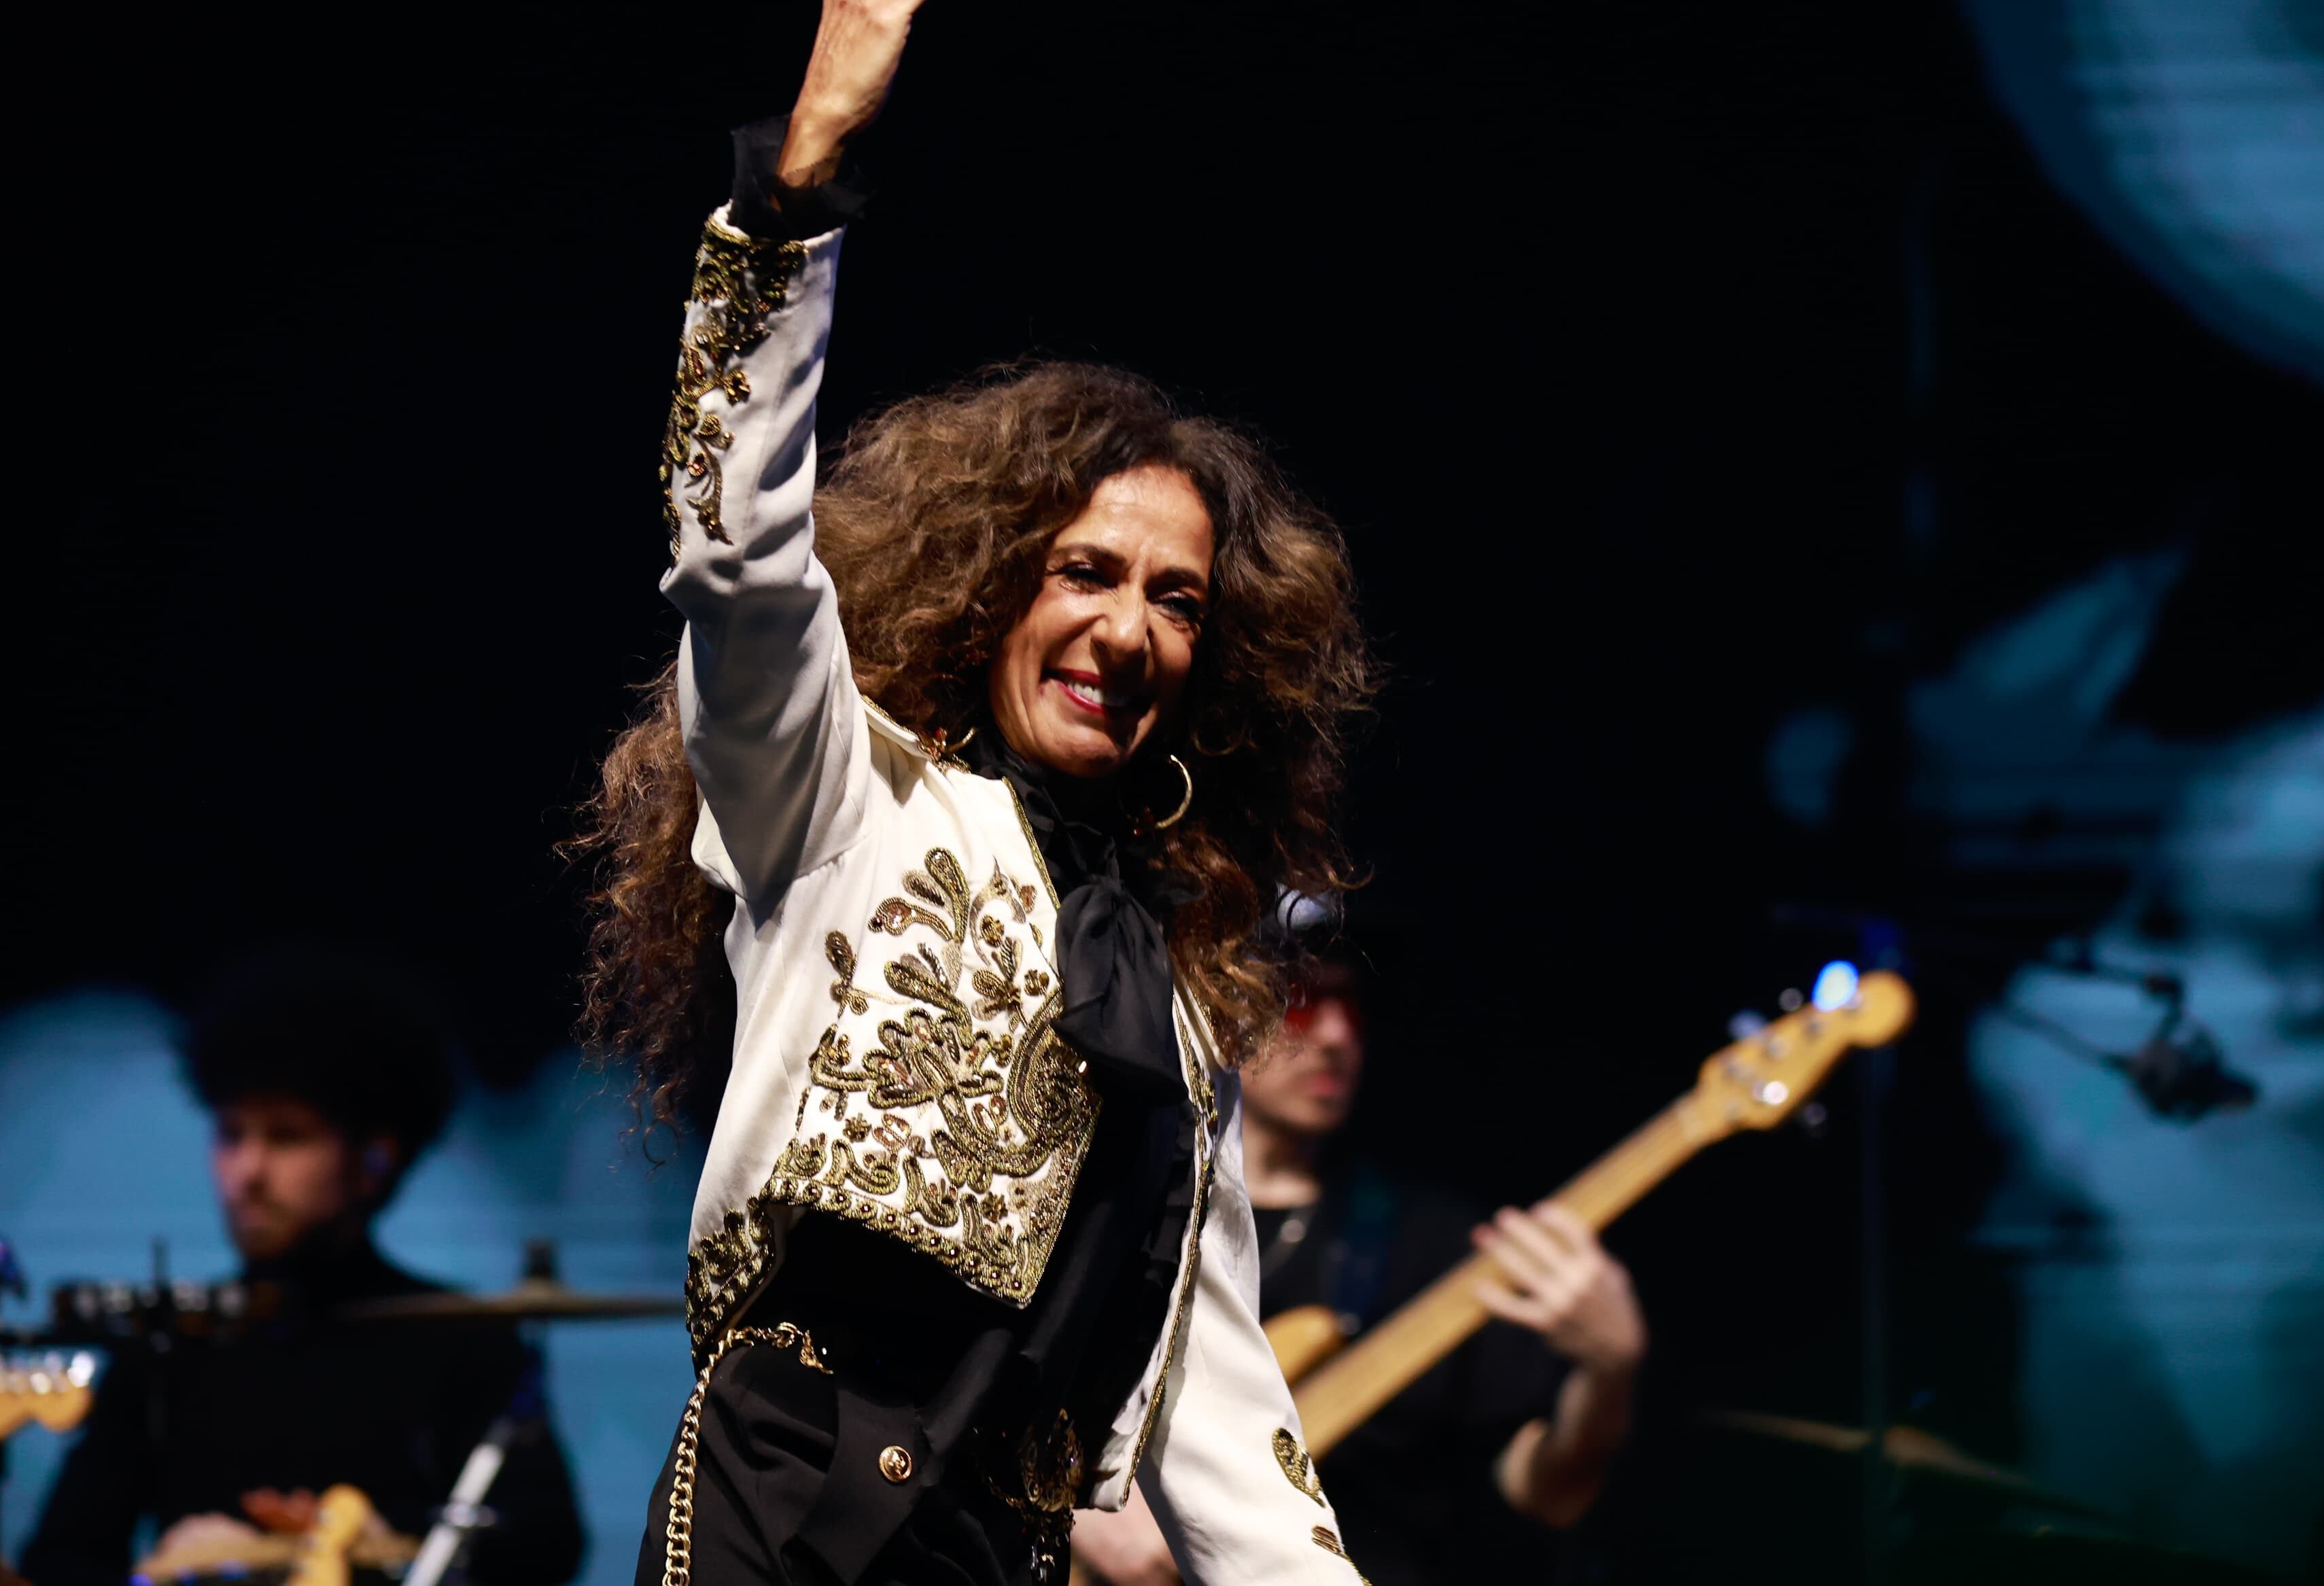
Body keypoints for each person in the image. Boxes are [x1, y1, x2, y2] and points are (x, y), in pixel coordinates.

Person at [578, 3, 1381, 1582]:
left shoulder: (1173, 1004)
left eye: (1178, 599)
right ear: (999, 586)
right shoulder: (842, 795)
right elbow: (736, 559)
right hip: (790, 1501)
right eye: (1089, 571)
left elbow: (1230, 1433)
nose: (1130, 628)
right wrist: (797, 186)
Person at [1069, 952, 1646, 1586]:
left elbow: (1547, 1495)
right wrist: (1083, 1512)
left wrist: (1611, 1371)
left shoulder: (1439, 1245)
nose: (1338, 1036)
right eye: (1305, 1002)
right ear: (1219, 1007)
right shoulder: (1115, 1202)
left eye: (1353, 1009)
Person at [18, 953, 585, 1586]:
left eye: (286, 1137)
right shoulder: (170, 1343)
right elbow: (62, 1557)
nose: (247, 1173)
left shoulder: (465, 1341)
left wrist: (381, 1538)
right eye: (231, 1135)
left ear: (374, 1160)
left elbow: (544, 1547)